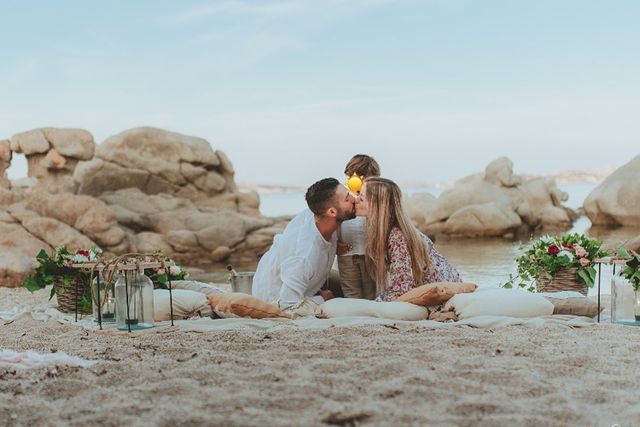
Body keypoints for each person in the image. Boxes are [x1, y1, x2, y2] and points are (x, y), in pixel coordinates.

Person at [252, 178, 356, 309]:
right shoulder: (305, 256)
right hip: (273, 298)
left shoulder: (318, 214)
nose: (354, 199)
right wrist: (322, 299)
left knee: (350, 288)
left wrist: (334, 243)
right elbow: (286, 306)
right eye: (347, 199)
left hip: (305, 279)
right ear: (332, 212)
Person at [355, 177, 462, 301]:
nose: (355, 200)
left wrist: (375, 304)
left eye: (361, 198)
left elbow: (402, 287)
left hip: (442, 294)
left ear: (377, 205)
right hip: (442, 287)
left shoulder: (397, 236)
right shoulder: (387, 230)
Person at [337, 154, 380, 300]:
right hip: (347, 254)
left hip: (370, 254)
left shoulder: (373, 199)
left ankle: (369, 316)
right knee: (351, 291)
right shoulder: (342, 196)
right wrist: (335, 243)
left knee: (371, 291)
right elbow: (334, 221)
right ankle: (353, 315)